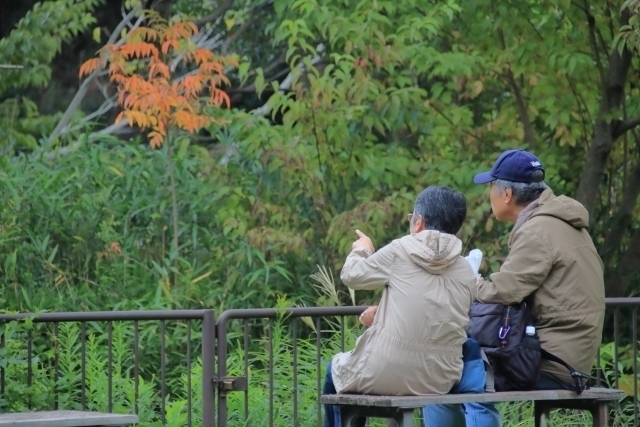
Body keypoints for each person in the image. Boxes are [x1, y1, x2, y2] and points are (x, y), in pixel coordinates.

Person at [425, 149, 606, 426]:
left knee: (450, 376)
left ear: (506, 194)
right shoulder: (564, 224)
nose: (490, 196)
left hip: (552, 361)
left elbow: (505, 290)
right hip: (572, 354)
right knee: (459, 372)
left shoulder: (537, 231)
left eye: (491, 187)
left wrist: (474, 285)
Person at [322, 185, 479, 427]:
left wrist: (363, 249)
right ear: (456, 228)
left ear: (419, 222)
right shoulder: (466, 270)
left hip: (387, 369)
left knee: (335, 373)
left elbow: (351, 276)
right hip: (441, 378)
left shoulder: (401, 250)